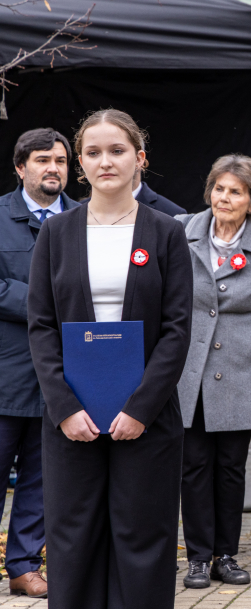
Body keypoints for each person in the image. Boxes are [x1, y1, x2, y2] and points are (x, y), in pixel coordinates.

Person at [27, 109, 192, 609]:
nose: (105, 161)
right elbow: (41, 326)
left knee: (143, 538)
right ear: (80, 163)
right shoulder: (56, 234)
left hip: (146, 419)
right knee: (73, 539)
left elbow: (177, 329)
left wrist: (140, 409)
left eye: (116, 150)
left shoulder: (166, 233)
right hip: (71, 420)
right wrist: (64, 408)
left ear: (139, 158)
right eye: (93, 153)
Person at [176, 155, 251, 589]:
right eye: (219, 188)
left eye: (235, 191)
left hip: (242, 368)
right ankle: (197, 558)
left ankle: (227, 555)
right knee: (194, 465)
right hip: (189, 369)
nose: (224, 198)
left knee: (232, 467)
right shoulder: (180, 231)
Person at [0, 128, 79, 598]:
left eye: (62, 161)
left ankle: (24, 565)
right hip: (6, 375)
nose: (54, 168)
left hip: (62, 379)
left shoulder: (84, 221)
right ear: (20, 167)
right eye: (43, 160)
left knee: (42, 479)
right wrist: (45, 302)